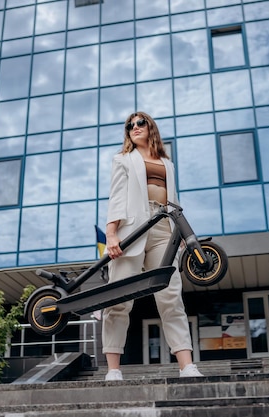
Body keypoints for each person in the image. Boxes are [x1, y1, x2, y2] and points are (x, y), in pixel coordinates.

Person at [101, 111, 203, 381]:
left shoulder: (166, 163)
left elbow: (174, 199)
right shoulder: (122, 160)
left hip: (162, 226)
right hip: (132, 228)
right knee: (119, 300)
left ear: (150, 128)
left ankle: (186, 366)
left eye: (140, 123)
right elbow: (116, 197)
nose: (134, 127)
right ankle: (113, 369)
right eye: (129, 125)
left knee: (171, 297)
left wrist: (181, 231)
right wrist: (111, 234)